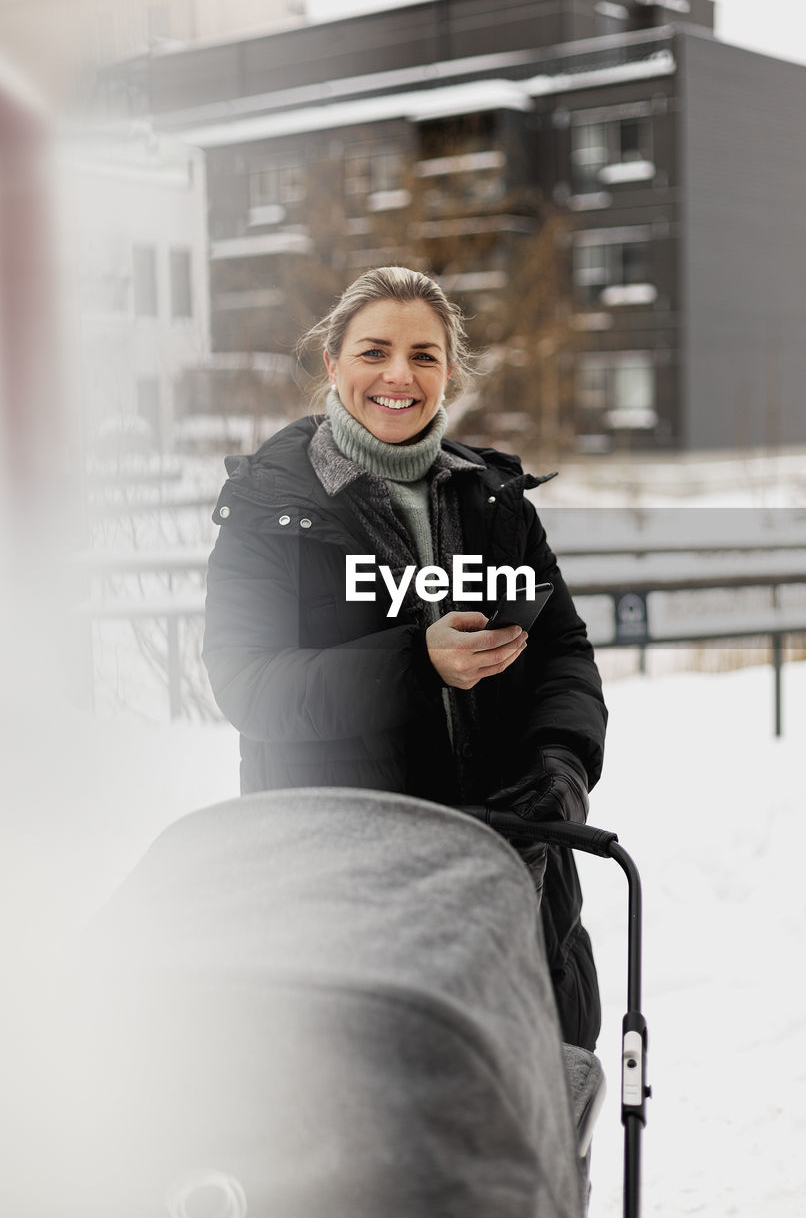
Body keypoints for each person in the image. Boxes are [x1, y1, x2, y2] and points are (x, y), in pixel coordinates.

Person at [202, 266, 607, 1049]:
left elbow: (562, 650)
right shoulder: (269, 507)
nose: (399, 375)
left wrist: (561, 766)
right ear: (332, 362)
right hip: (340, 888)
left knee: (533, 1131)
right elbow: (248, 683)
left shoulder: (494, 498)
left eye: (424, 356)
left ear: (448, 372)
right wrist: (415, 662)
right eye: (374, 351)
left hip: (510, 878)